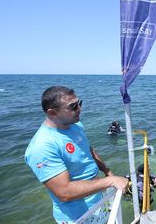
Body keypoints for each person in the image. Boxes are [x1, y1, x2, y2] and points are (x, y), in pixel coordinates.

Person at [24, 86, 128, 223]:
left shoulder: (76, 125)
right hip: (76, 217)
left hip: (99, 201)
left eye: (80, 103)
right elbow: (64, 192)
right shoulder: (41, 147)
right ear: (53, 113)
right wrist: (110, 181)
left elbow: (87, 150)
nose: (79, 109)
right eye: (73, 107)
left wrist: (107, 171)